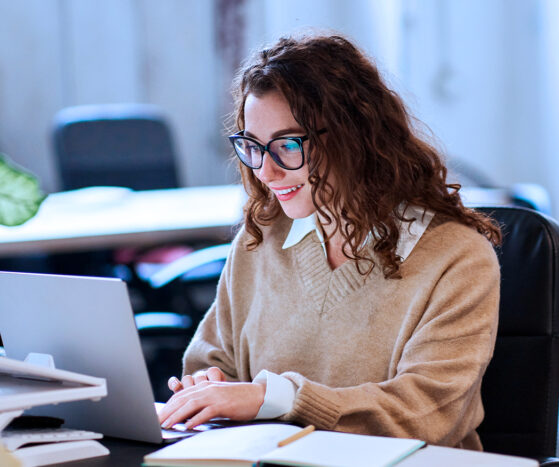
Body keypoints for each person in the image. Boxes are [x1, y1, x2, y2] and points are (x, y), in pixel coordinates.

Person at [156, 33, 502, 450]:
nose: (266, 172)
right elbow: (212, 362)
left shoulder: (457, 258)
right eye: (252, 146)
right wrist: (208, 387)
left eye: (286, 145)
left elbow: (427, 413)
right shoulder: (260, 240)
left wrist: (273, 398)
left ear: (354, 136)